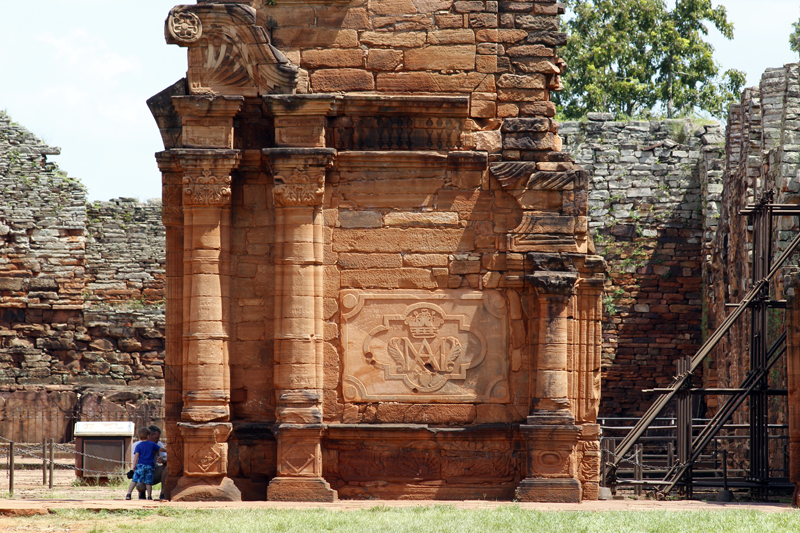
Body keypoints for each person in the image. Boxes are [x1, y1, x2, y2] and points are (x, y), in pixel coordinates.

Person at [126, 427, 165, 501]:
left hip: (140, 466)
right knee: (148, 481)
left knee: (134, 480)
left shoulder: (138, 445)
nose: (158, 440)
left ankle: (128, 494)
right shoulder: (152, 444)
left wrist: (134, 467)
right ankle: (149, 496)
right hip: (149, 466)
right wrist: (168, 450)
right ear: (149, 436)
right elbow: (161, 449)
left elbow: (136, 457)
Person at [136, 425, 168, 500]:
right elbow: (136, 463)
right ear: (149, 436)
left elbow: (165, 456)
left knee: (167, 469)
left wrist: (163, 460)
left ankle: (163, 494)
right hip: (142, 472)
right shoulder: (138, 445)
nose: (158, 440)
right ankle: (141, 492)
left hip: (153, 471)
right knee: (140, 486)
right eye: (157, 438)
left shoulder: (158, 444)